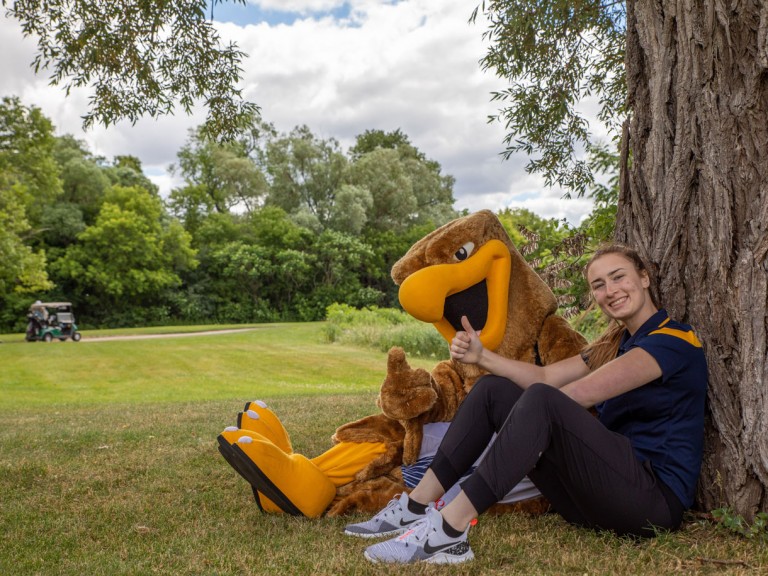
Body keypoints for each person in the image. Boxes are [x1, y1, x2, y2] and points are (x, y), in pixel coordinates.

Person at [343, 244, 708, 564]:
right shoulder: (612, 345)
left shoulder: (674, 340)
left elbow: (580, 394)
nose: (610, 291)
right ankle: (415, 506)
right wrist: (482, 356)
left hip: (650, 504)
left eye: (619, 277)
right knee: (493, 391)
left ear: (643, 278)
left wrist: (522, 427)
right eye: (599, 285)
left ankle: (449, 531)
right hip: (594, 501)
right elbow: (547, 379)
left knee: (541, 402)